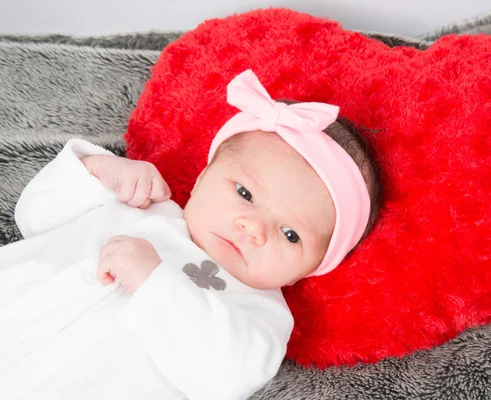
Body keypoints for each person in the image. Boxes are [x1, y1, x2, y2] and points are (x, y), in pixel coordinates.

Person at [0, 70, 381, 399]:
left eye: (290, 234)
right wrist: (97, 170)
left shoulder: (260, 316)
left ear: (317, 266)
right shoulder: (140, 203)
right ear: (201, 178)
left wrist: (155, 284)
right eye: (245, 194)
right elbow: (34, 216)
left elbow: (225, 379)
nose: (253, 227)